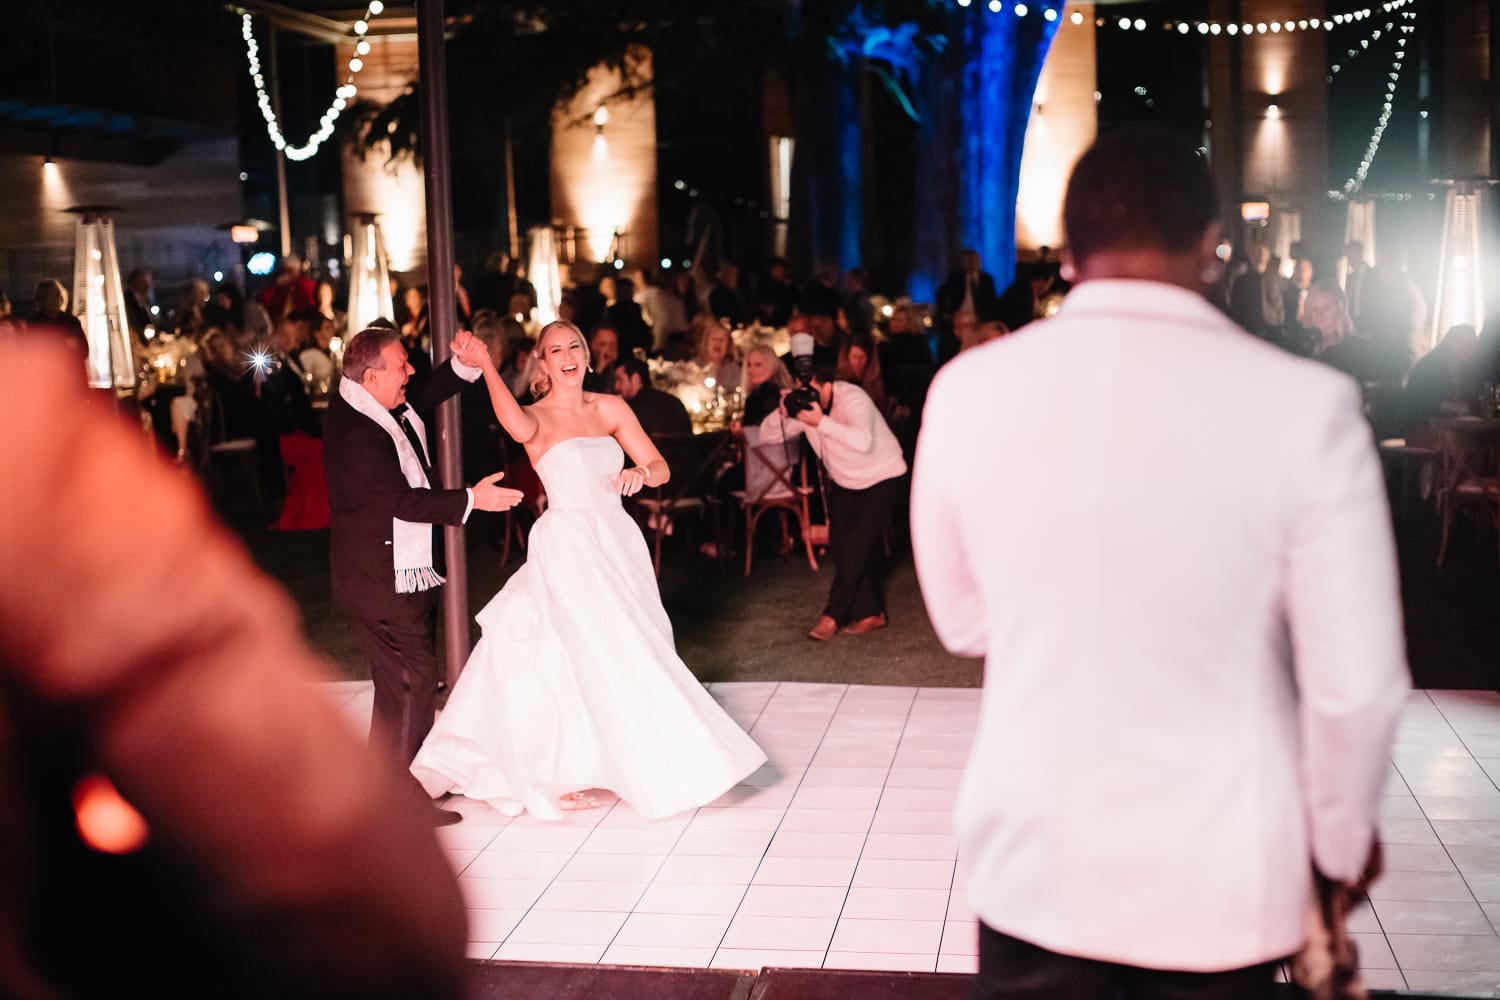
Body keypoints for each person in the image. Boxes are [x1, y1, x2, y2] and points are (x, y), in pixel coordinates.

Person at [912, 125, 1408, 999]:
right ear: (1214, 247)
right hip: (1224, 869)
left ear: (1066, 256)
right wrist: (1333, 851)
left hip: (1038, 853)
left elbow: (961, 623)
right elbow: (1355, 684)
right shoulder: (1308, 406)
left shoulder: (968, 389)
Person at [0, 340, 468, 1000]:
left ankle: (397, 775)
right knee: (407, 679)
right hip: (370, 586)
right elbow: (403, 929)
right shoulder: (158, 679)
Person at [410, 320, 766, 820]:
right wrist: (487, 363)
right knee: (583, 647)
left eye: (574, 345)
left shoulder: (611, 408)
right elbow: (513, 425)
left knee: (628, 644)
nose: (568, 355)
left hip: (617, 540)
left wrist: (639, 473)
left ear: (587, 356)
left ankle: (611, 757)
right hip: (567, 545)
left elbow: (659, 465)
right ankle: (562, 768)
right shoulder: (533, 418)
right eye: (555, 350)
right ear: (544, 362)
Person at [324, 327, 524, 769]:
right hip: (382, 582)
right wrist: (474, 499)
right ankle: (400, 796)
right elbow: (403, 502)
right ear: (372, 377)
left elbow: (421, 397)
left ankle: (386, 788)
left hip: (380, 575)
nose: (410, 371)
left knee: (399, 685)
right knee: (415, 680)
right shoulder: (359, 434)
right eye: (401, 366)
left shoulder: (366, 403)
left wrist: (461, 368)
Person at [761, 360, 908, 640]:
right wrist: (783, 413)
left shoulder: (852, 396)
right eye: (801, 390)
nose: (808, 397)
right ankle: (870, 613)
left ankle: (832, 614)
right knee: (841, 543)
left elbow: (863, 441)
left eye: (813, 390)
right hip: (846, 481)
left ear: (828, 386)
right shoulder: (805, 410)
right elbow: (768, 435)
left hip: (884, 475)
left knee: (855, 543)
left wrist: (822, 422)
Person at [936, 249, 999, 359]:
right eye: (968, 260)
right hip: (959, 314)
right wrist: (946, 312)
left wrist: (985, 315)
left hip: (980, 317)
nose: (972, 263)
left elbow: (992, 300)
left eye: (974, 260)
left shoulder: (986, 279)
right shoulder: (955, 277)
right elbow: (941, 294)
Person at [613, 354, 692, 436]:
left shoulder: (631, 410)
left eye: (620, 379)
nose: (616, 386)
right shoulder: (674, 402)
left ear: (635, 378)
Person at [27, 278, 88, 360]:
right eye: (51, 297)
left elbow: (84, 351)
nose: (56, 300)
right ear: (41, 300)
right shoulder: (35, 325)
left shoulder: (72, 322)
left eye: (57, 295)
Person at [740, 344, 793, 428]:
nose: (751, 370)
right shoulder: (781, 390)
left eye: (758, 365)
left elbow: (756, 431)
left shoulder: (766, 393)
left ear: (772, 367)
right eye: (749, 365)